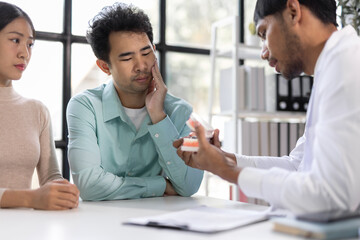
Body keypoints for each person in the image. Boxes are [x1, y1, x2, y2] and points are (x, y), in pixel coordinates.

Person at [174, 0, 360, 214]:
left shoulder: (346, 65)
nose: (263, 53)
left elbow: (332, 196)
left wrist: (227, 171)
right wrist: (223, 159)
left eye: (264, 33)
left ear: (293, 12)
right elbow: (297, 166)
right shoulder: (330, 68)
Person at [66, 3, 203, 201]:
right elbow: (89, 185)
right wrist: (159, 185)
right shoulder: (85, 106)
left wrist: (158, 117)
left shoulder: (179, 111)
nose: (141, 66)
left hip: (159, 224)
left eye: (147, 53)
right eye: (127, 58)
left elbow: (188, 186)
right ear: (105, 67)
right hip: (97, 226)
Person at [0, 2, 79, 210]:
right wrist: (30, 198)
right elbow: (35, 196)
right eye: (15, 40)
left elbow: (51, 178)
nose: (24, 53)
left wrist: (65, 191)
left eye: (30, 44)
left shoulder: (37, 111)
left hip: (26, 230)